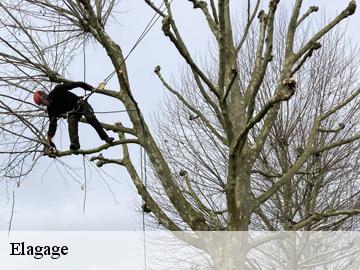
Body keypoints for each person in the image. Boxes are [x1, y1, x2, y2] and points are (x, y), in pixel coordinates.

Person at [33, 81, 114, 151]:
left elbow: (73, 85)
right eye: (42, 105)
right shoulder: (51, 109)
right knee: (71, 122)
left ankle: (105, 137)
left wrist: (85, 86)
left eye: (43, 102)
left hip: (80, 103)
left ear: (44, 96)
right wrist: (49, 139)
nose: (44, 105)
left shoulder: (57, 90)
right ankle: (75, 144)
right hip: (73, 111)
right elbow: (52, 124)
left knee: (90, 118)